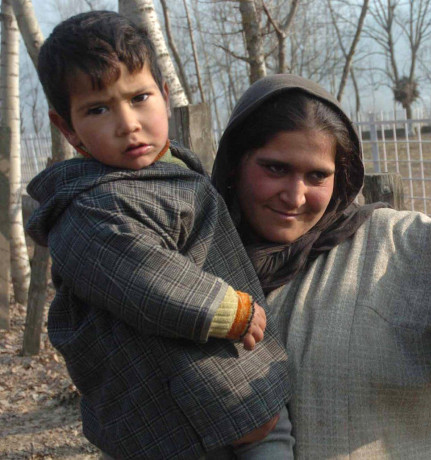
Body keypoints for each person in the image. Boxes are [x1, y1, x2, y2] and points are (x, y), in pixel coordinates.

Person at [211, 74, 431, 459]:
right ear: (235, 164)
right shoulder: (194, 257)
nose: (295, 196)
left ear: (341, 178)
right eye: (275, 169)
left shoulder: (393, 244)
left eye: (316, 175)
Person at [26, 12, 292, 459]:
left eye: (139, 97)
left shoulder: (171, 169)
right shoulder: (88, 207)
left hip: (224, 385)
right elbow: (141, 275)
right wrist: (225, 308)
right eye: (98, 109)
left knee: (272, 439)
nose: (127, 122)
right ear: (68, 129)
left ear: (165, 97)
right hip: (173, 405)